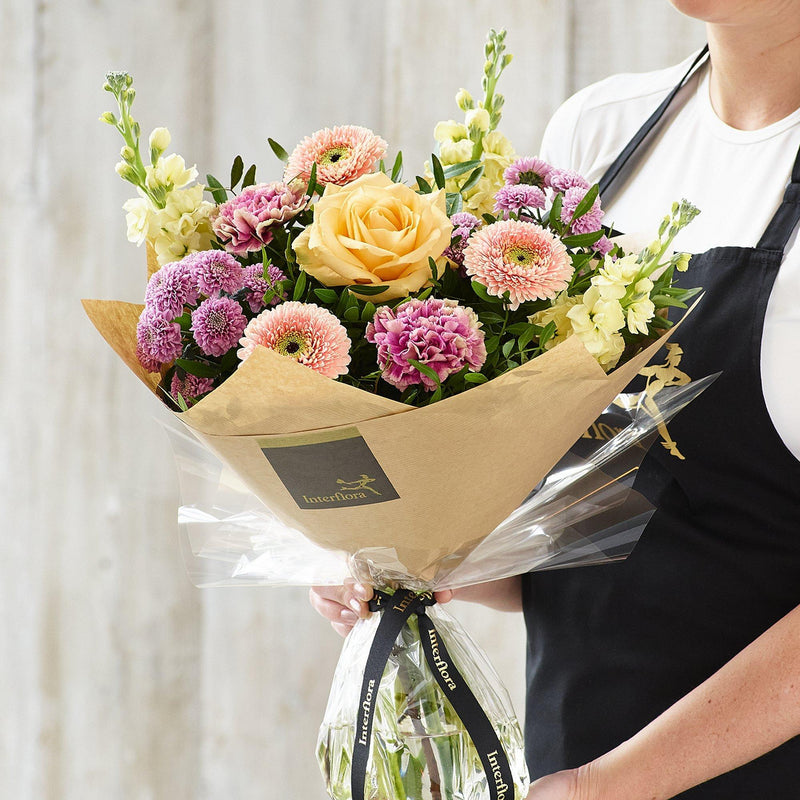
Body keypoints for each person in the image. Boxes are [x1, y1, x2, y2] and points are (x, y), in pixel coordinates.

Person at [310, 2, 800, 797]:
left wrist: (618, 784)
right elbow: (580, 525)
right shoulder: (601, 135)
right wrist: (417, 557)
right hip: (567, 754)